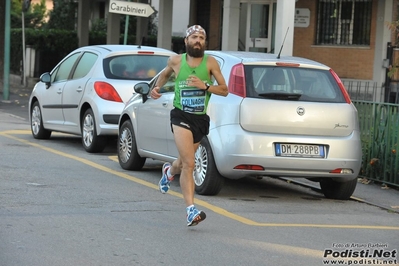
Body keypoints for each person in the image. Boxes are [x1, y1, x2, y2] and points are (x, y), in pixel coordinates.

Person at [150, 25, 228, 226]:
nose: (198, 40)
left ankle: (169, 172)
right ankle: (190, 210)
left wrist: (205, 86)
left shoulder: (210, 62)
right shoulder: (176, 60)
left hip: (200, 119)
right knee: (190, 164)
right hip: (180, 116)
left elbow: (224, 90)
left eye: (201, 37)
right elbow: (166, 74)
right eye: (194, 37)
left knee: (183, 163)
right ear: (186, 41)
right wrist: (157, 88)